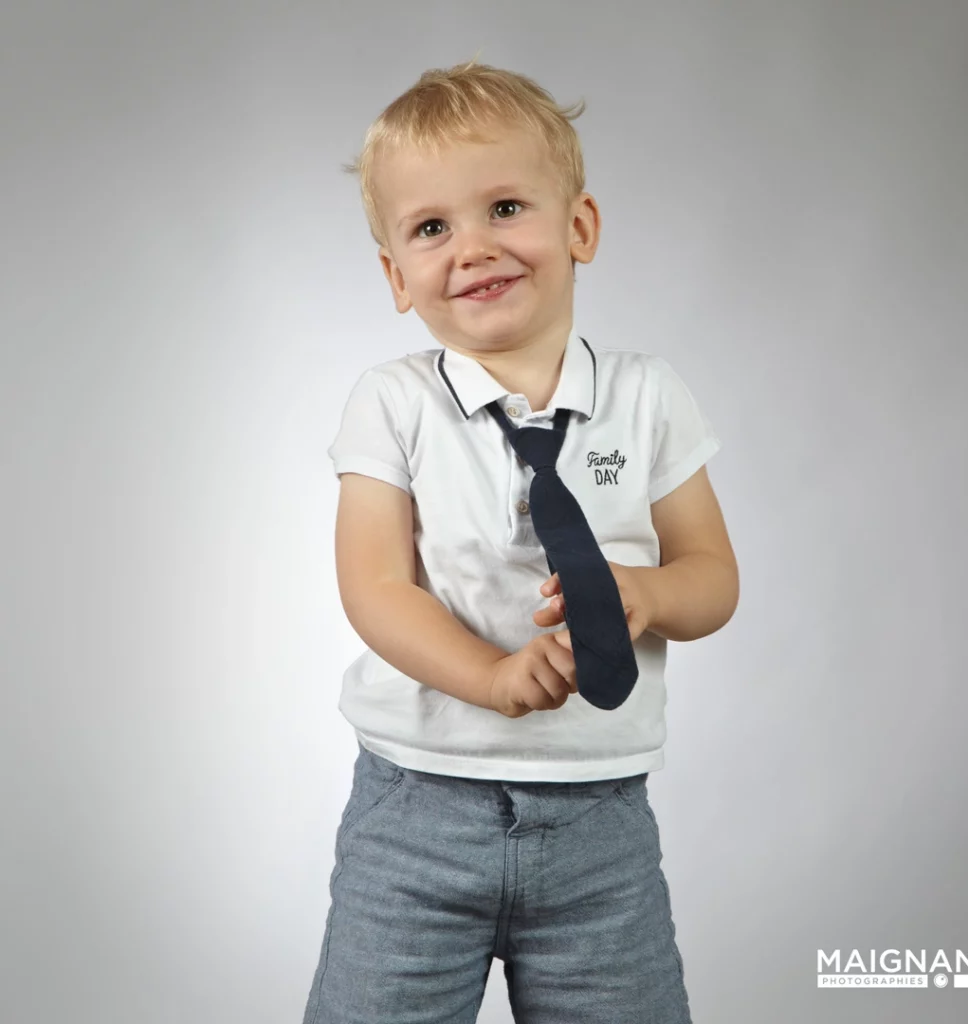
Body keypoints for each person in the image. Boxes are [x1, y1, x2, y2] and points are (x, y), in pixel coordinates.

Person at [302, 57, 739, 1024]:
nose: (472, 248)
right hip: (417, 812)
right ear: (396, 278)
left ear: (579, 226)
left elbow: (713, 578)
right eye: (430, 228)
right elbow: (374, 587)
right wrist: (490, 677)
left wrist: (651, 595)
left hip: (599, 822)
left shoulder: (647, 396)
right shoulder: (393, 403)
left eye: (505, 207)